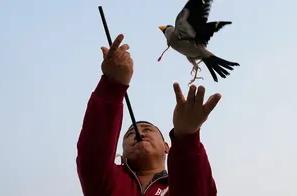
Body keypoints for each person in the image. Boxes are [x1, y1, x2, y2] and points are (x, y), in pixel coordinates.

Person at [76, 34, 222, 196]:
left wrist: (187, 136)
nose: (140, 133)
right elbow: (94, 153)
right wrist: (112, 85)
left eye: (147, 129)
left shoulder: (177, 184)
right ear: (121, 155)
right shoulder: (107, 180)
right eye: (129, 134)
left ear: (166, 146)